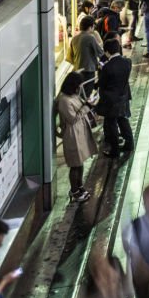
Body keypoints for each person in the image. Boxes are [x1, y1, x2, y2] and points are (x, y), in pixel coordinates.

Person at [56, 72, 96, 204]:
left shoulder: (72, 95)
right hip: (72, 136)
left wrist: (87, 104)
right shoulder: (64, 100)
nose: (80, 88)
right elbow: (72, 118)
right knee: (75, 164)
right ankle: (74, 191)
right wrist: (87, 107)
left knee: (80, 163)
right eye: (78, 85)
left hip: (80, 133)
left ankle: (80, 187)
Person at [97, 38, 134, 158]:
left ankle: (115, 151)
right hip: (123, 96)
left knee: (111, 124)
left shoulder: (107, 67)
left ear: (107, 52)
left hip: (111, 100)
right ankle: (129, 143)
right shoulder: (127, 62)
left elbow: (102, 84)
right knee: (123, 120)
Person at [66, 15, 104, 82]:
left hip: (77, 70)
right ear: (90, 27)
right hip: (88, 71)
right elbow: (100, 53)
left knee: (80, 90)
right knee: (87, 90)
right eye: (93, 27)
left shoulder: (74, 38)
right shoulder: (90, 38)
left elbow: (69, 58)